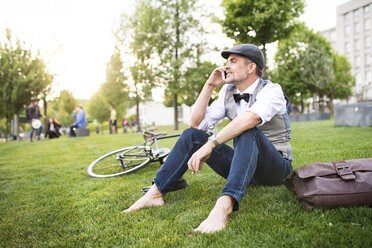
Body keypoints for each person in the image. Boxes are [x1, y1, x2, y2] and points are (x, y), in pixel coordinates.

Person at [123, 44, 293, 234]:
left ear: (251, 67)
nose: (226, 66)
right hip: (245, 166)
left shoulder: (272, 90)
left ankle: (224, 206)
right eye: (227, 61)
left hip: (275, 168)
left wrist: (211, 144)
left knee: (247, 130)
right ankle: (156, 192)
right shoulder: (227, 92)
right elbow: (195, 124)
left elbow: (251, 118)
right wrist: (209, 85)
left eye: (233, 61)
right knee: (191, 136)